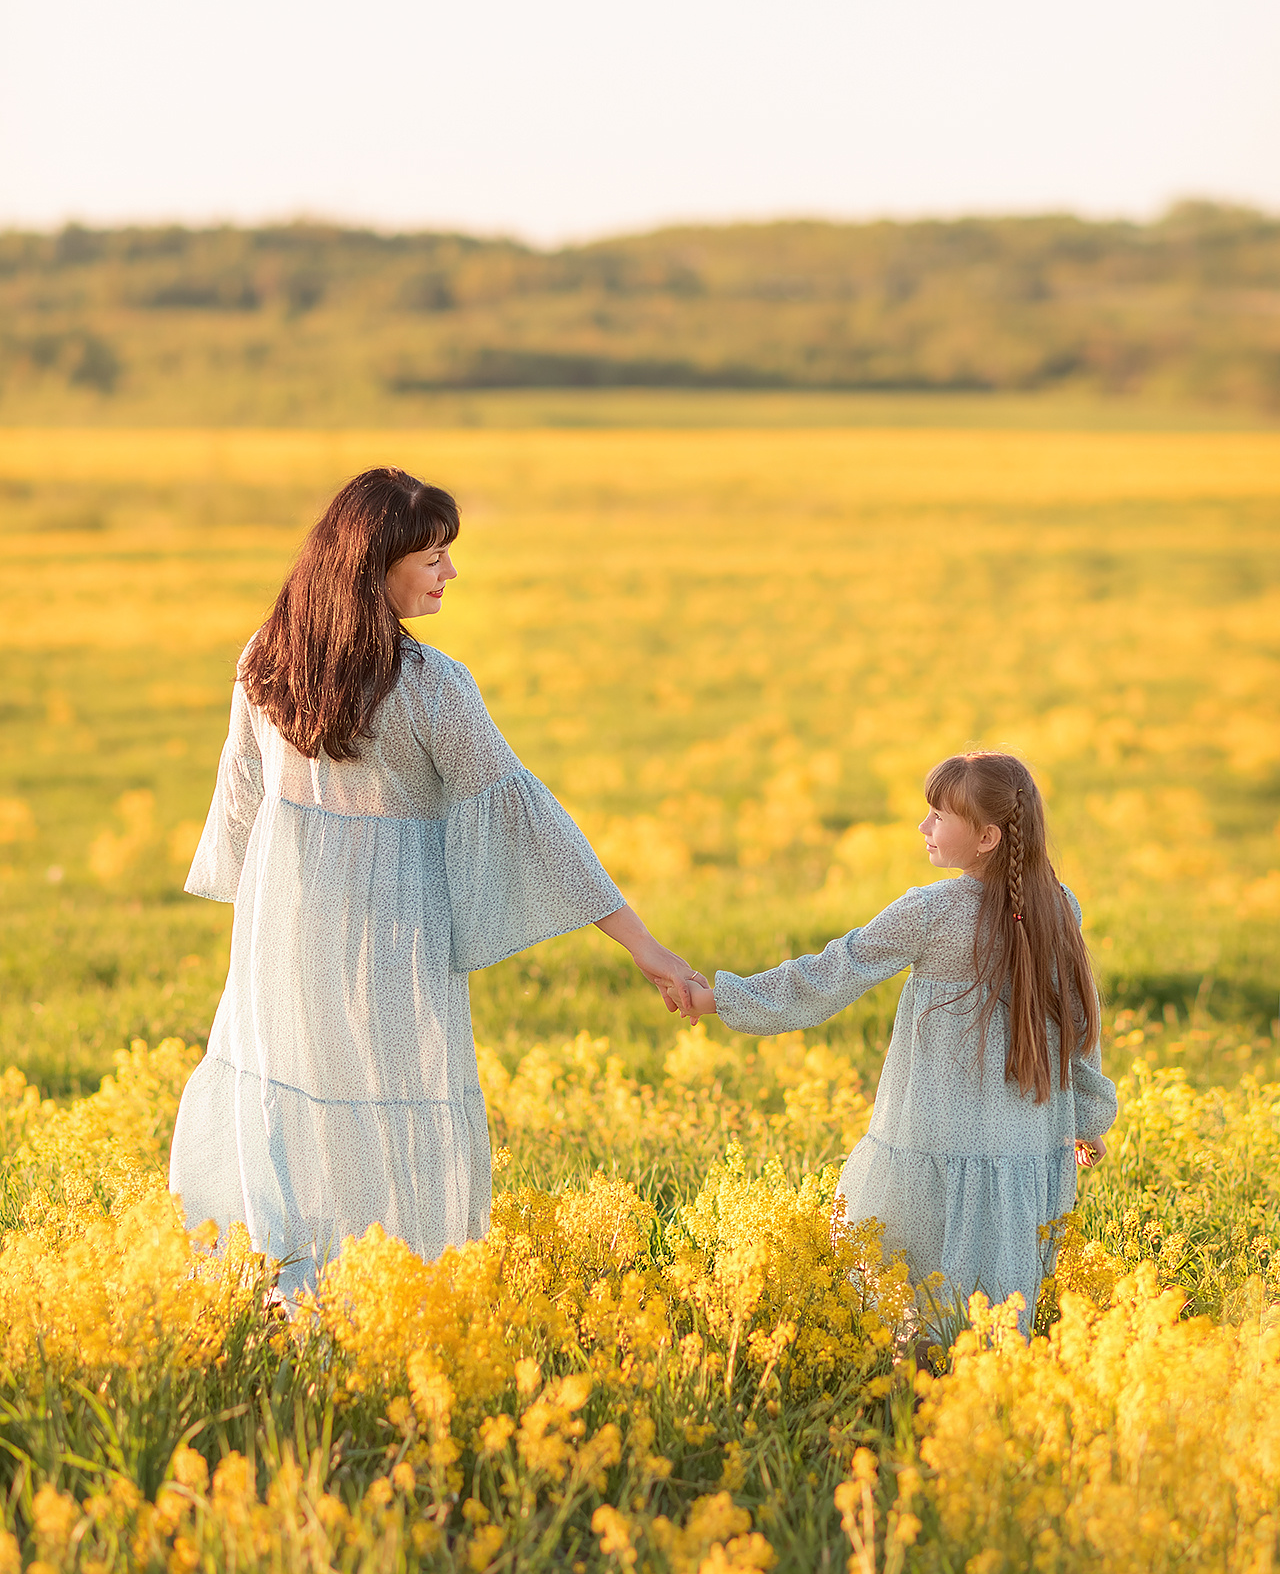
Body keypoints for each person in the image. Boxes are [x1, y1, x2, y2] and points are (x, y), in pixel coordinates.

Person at [170, 467, 700, 1298]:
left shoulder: (264, 662)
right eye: (433, 557)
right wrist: (644, 946)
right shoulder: (431, 686)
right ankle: (396, 1293)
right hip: (390, 930)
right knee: (394, 1102)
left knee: (295, 1100)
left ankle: (291, 1288)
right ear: (371, 565)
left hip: (283, 925)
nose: (450, 574)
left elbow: (241, 808)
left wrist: (265, 928)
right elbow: (531, 822)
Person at [682, 752, 1116, 1333]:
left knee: (910, 1297)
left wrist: (722, 999)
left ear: (986, 837)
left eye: (939, 815)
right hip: (1021, 1146)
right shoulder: (1057, 906)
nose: (924, 825)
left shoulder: (932, 911)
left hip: (930, 1134)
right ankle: (974, 1392)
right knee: (991, 1314)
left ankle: (913, 1397)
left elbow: (830, 974)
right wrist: (1088, 1119)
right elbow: (1079, 1030)